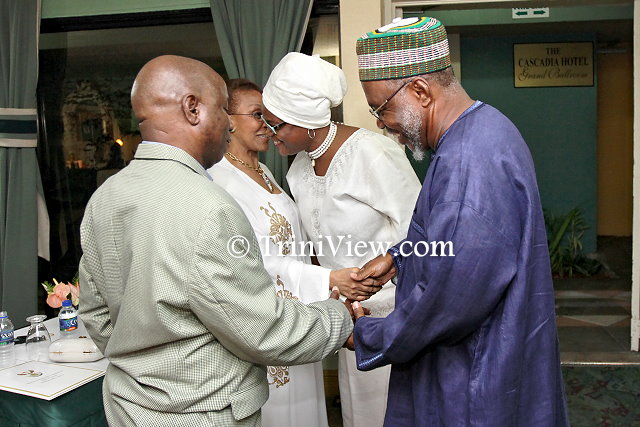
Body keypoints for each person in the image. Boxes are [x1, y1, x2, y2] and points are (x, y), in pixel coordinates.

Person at [78, 55, 354, 426]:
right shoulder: (210, 207)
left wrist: (147, 369)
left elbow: (96, 313)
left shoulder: (105, 198)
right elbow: (262, 331)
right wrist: (340, 317)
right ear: (192, 108)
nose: (228, 122)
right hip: (203, 412)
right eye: (223, 109)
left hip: (130, 409)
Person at [348, 17, 569, 425]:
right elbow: (466, 241)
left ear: (420, 91)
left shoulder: (467, 162)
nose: (381, 123)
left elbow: (450, 297)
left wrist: (370, 334)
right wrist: (400, 258)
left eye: (382, 108)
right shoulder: (486, 127)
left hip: (472, 377)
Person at [261, 52, 422, 427]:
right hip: (348, 320)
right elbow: (316, 247)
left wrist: (385, 277)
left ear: (306, 121)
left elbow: (421, 232)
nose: (270, 134)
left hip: (395, 319)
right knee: (360, 415)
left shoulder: (374, 154)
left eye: (276, 124)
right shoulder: (298, 170)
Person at [208, 78, 377, 427]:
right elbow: (248, 259)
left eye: (270, 117)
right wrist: (328, 278)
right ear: (228, 119)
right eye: (257, 115)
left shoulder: (265, 171)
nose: (268, 126)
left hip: (300, 313)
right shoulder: (220, 181)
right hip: (266, 320)